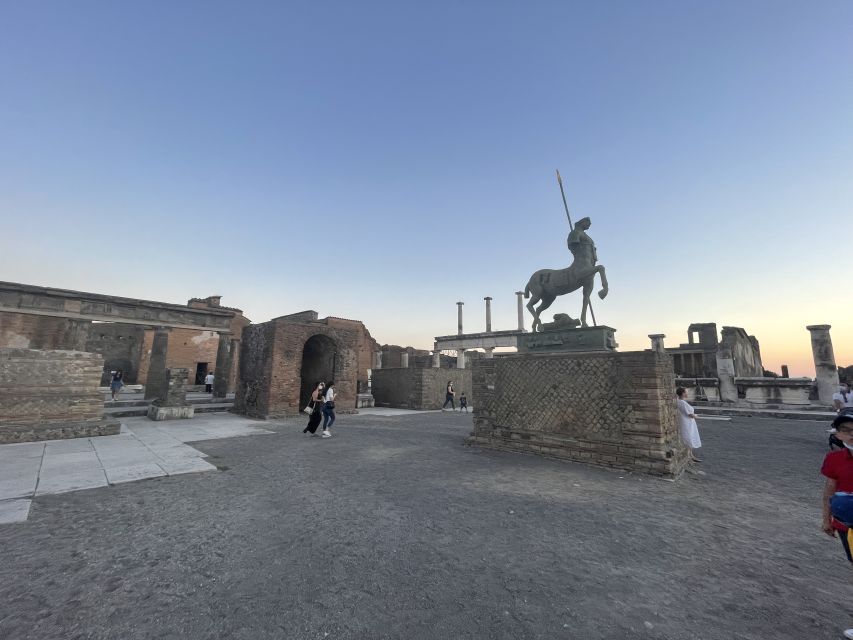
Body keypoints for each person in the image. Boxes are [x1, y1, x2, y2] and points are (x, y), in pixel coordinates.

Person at [820, 409, 853, 639]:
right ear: (839, 435)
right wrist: (826, 519)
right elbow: (829, 490)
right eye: (846, 431)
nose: (852, 435)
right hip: (848, 524)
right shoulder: (834, 459)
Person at [676, 387, 702, 462]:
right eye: (686, 392)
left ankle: (690, 454)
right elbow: (690, 414)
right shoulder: (683, 403)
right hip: (687, 422)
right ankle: (690, 455)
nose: (687, 393)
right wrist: (696, 416)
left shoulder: (678, 401)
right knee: (689, 436)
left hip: (684, 421)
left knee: (687, 436)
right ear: (683, 393)